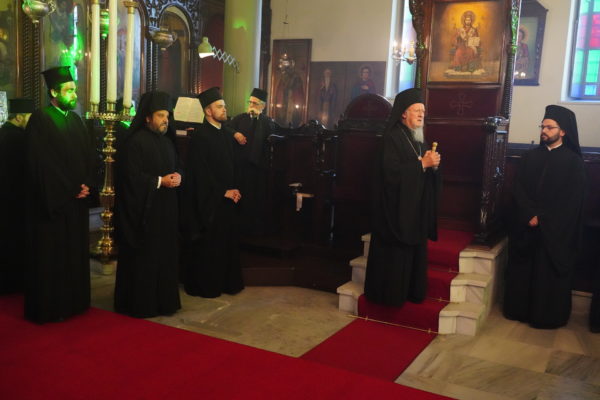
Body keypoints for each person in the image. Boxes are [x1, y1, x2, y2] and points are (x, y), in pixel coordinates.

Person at [503, 105, 586, 329]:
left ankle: (546, 317)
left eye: (550, 127)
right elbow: (518, 188)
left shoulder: (574, 162)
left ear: (563, 131)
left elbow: (571, 200)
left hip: (554, 232)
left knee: (547, 273)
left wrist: (543, 219)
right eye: (543, 126)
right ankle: (518, 310)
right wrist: (529, 214)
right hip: (527, 226)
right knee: (523, 270)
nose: (544, 131)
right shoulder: (530, 157)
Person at [25, 66, 96, 323]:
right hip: (54, 205)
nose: (74, 94)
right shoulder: (41, 119)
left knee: (74, 253)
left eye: (75, 89)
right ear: (54, 92)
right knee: (52, 255)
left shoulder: (76, 120)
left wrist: (87, 184)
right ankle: (52, 307)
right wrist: (70, 189)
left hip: (76, 204)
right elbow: (42, 164)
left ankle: (75, 302)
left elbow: (89, 157)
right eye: (69, 90)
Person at [364, 88, 441, 307]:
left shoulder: (418, 138)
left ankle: (412, 291)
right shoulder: (391, 138)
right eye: (417, 110)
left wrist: (433, 166)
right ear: (403, 113)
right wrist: (422, 165)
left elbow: (423, 170)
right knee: (395, 258)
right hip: (394, 213)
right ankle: (390, 295)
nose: (421, 114)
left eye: (423, 111)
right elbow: (390, 175)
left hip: (413, 209)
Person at [113, 91, 181, 318]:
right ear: (147, 117)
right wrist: (160, 181)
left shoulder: (168, 142)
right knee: (146, 257)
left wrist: (179, 177)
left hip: (166, 210)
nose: (165, 120)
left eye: (167, 116)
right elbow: (130, 178)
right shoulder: (135, 142)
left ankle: (164, 302)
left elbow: (178, 167)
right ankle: (142, 304)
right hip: (144, 213)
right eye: (160, 115)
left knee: (165, 256)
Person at [180, 87, 244, 298]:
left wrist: (235, 189)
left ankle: (227, 283)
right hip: (210, 202)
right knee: (211, 245)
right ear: (208, 111)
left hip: (228, 199)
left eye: (224, 106)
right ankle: (208, 285)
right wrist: (222, 192)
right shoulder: (201, 137)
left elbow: (232, 166)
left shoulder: (225, 134)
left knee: (226, 242)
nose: (225, 109)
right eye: (219, 106)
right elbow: (199, 174)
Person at [227, 88, 276, 236]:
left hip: (258, 169)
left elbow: (271, 134)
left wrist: (258, 117)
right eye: (250, 102)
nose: (251, 106)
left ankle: (254, 231)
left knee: (255, 200)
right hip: (240, 167)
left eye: (255, 103)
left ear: (263, 106)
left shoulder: (267, 121)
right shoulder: (240, 118)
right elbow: (226, 128)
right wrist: (235, 133)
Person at [0, 98, 34, 294]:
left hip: (6, 198)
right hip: (15, 198)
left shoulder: (4, 132)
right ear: (19, 117)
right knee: (14, 242)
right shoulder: (17, 138)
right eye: (29, 117)